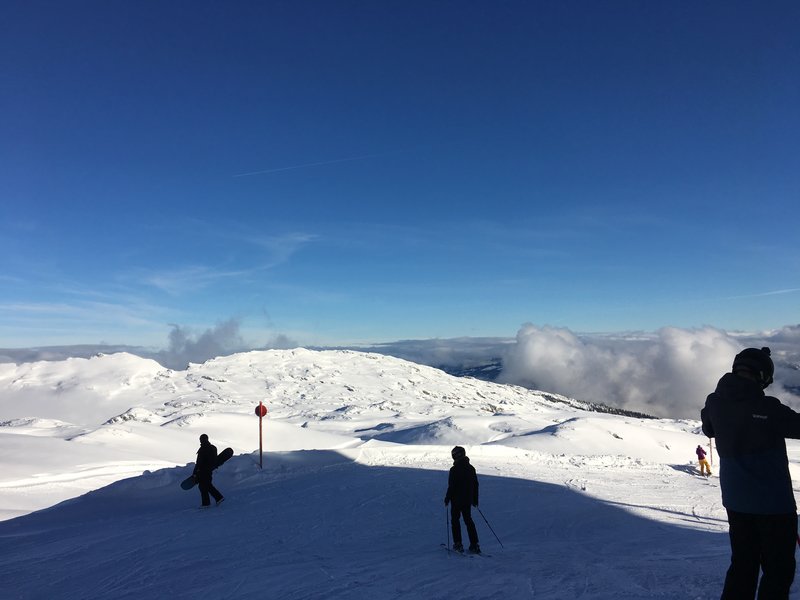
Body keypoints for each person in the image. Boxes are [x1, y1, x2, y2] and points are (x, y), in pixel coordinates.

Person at [701, 347, 800, 599]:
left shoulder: (714, 402)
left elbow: (708, 428)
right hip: (775, 506)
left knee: (743, 565)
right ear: (763, 375)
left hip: (736, 502)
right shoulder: (768, 408)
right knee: (778, 570)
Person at [444, 446, 481, 554]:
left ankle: (458, 544)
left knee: (455, 521)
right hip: (467, 500)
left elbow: (452, 486)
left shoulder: (454, 469)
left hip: (456, 500)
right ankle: (475, 545)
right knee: (468, 521)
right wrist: (474, 499)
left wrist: (447, 498)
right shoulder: (471, 468)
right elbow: (475, 485)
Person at [193, 433, 224, 508]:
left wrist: (195, 471)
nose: (201, 441)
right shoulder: (212, 448)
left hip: (203, 471)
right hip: (208, 470)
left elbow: (199, 462)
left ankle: (209, 502)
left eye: (201, 439)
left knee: (204, 486)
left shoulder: (203, 449)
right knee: (206, 485)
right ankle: (215, 499)